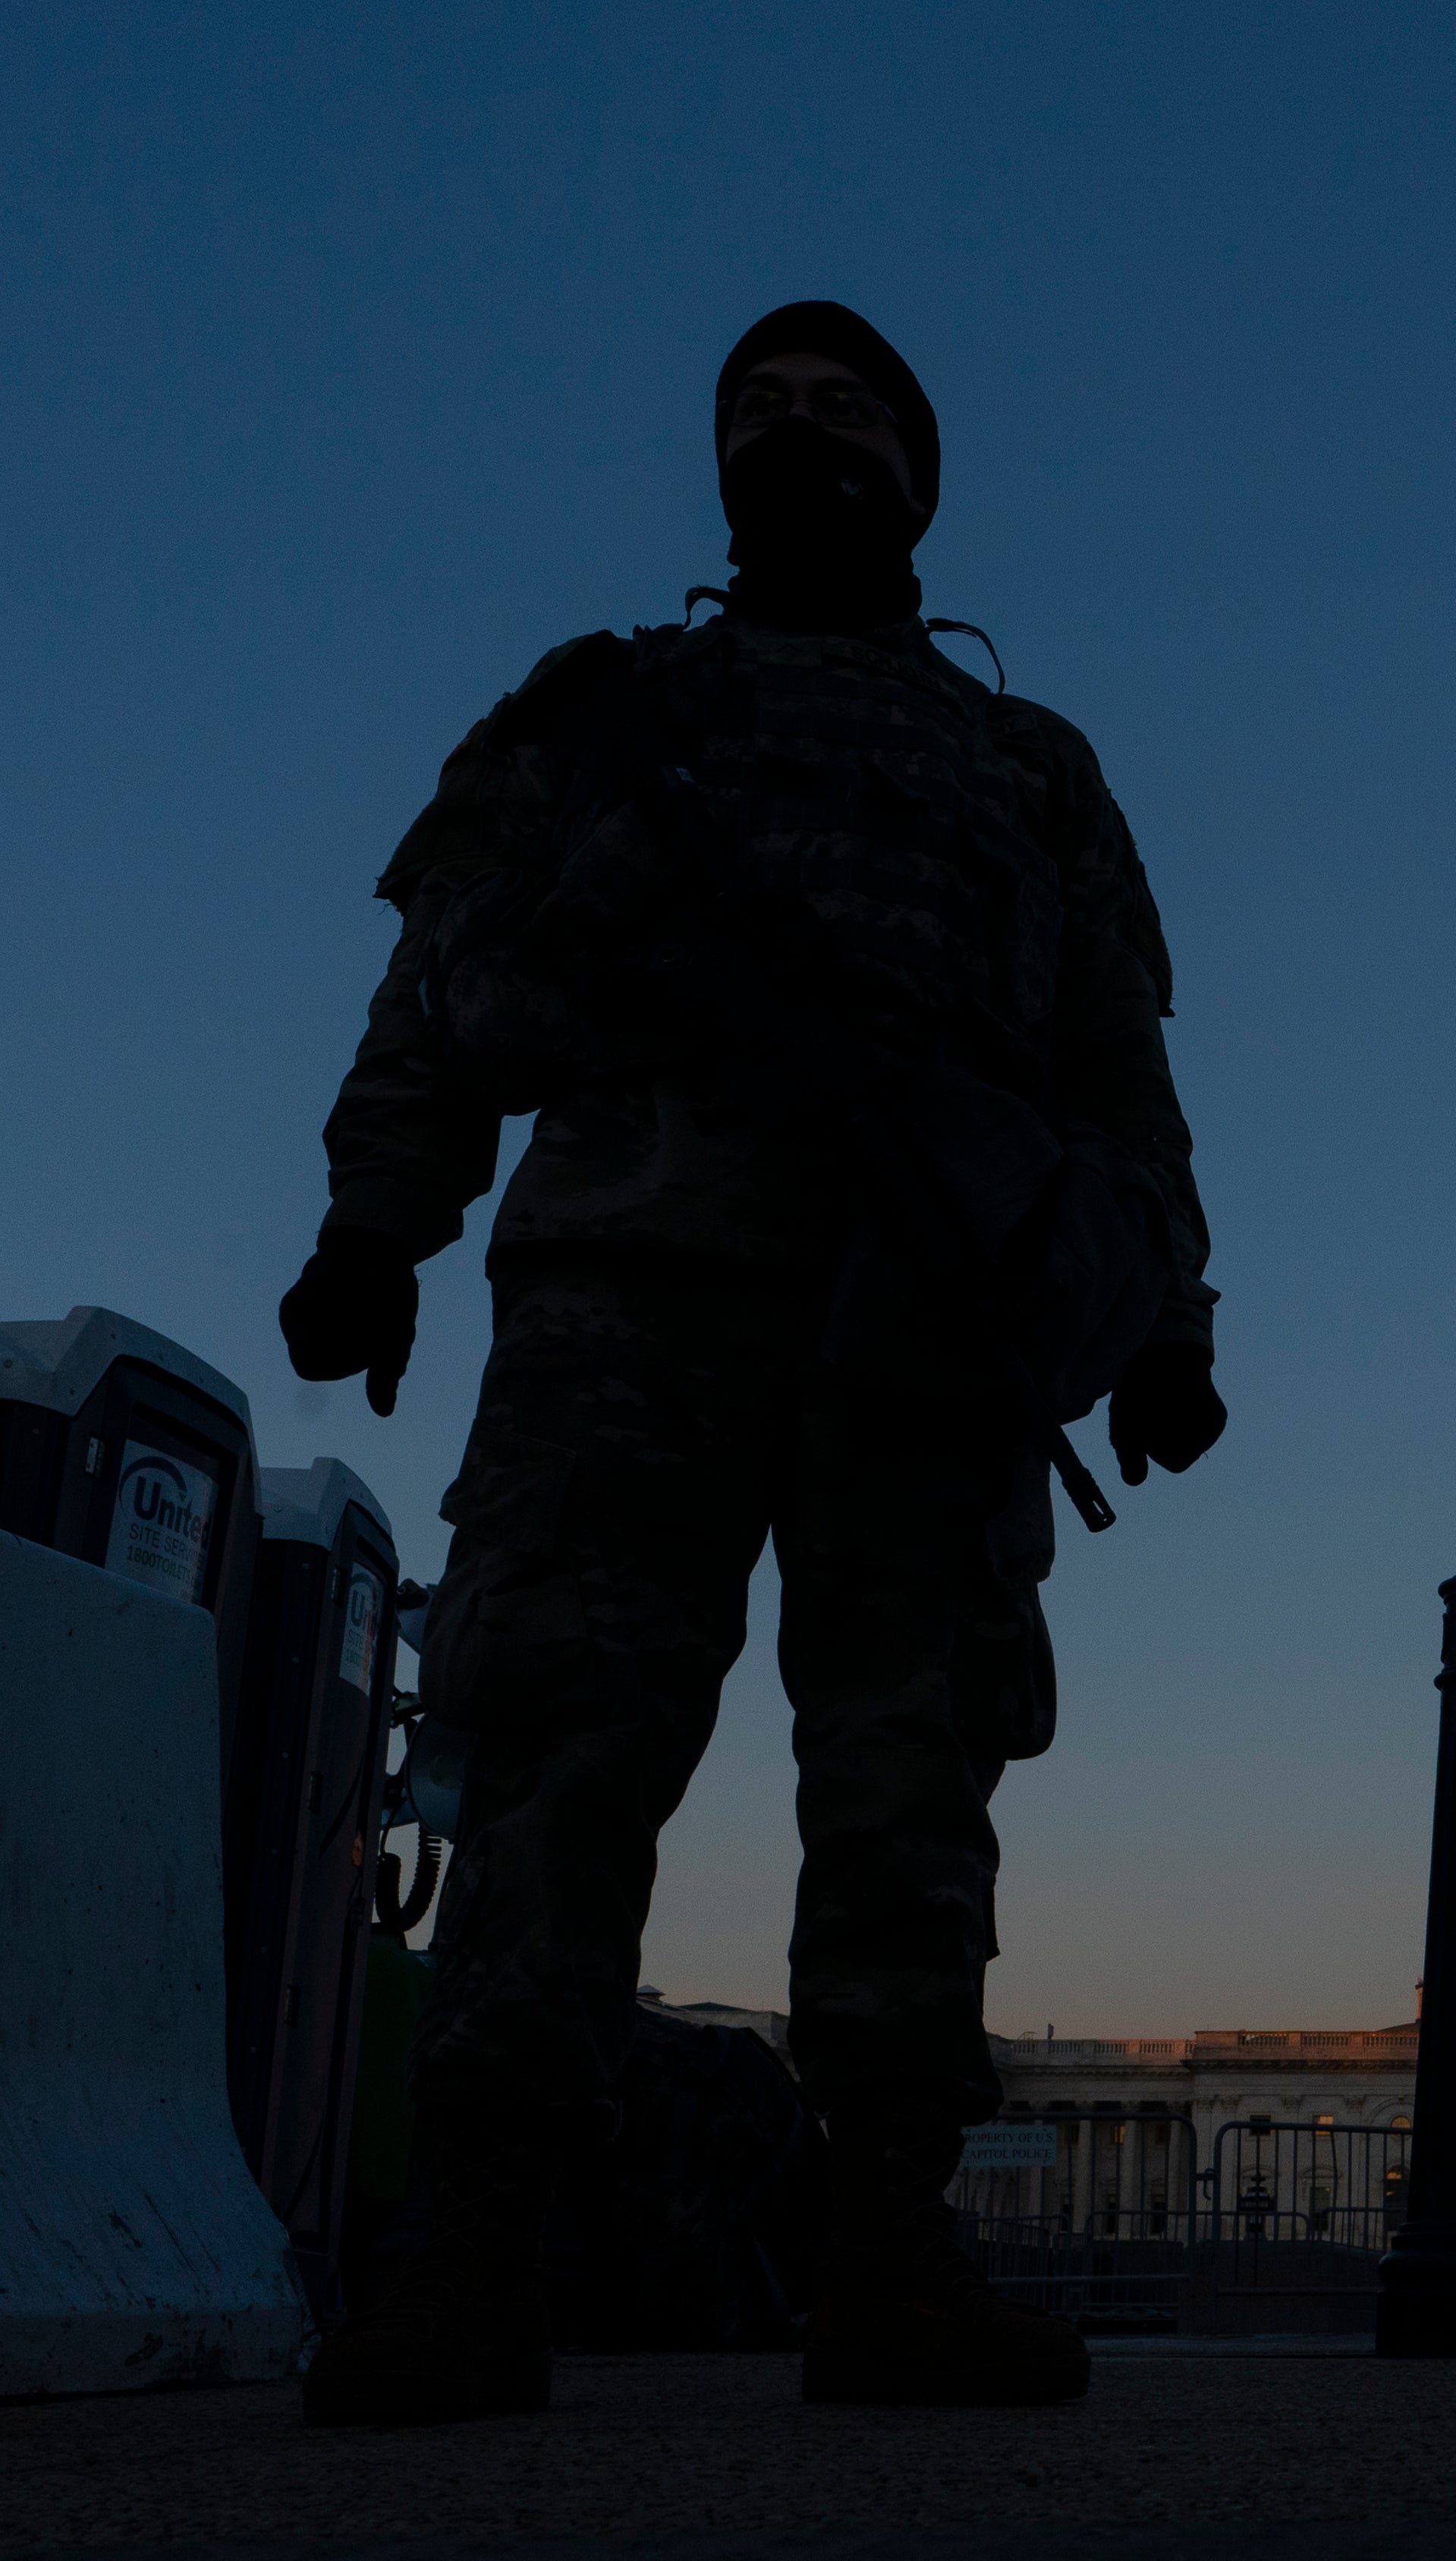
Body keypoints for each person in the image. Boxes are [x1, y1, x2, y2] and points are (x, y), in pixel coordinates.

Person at [280, 301, 1227, 2421]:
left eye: (843, 410)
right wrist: (370, 1237)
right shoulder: (599, 720)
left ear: (917, 473)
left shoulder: (1027, 768)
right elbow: (432, 1008)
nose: (797, 437)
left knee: (910, 1796)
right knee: (552, 1772)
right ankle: (474, 2256)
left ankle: (888, 2251)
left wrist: (1165, 1323)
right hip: (634, 1295)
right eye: (758, 414)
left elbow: (1114, 1083)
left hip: (924, 1319)